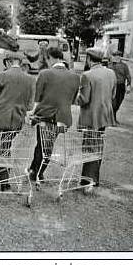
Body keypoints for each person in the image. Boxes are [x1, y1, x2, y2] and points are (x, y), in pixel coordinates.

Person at [0, 52, 35, 191]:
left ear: (8, 62)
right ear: (20, 63)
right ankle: (4, 183)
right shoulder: (30, 79)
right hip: (15, 121)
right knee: (6, 150)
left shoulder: (1, 76)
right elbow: (29, 106)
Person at [26, 47, 80, 182]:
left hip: (45, 115)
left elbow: (37, 98)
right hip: (63, 118)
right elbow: (73, 100)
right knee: (48, 144)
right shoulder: (75, 77)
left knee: (41, 144)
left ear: (50, 57)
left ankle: (35, 172)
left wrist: (32, 113)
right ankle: (38, 171)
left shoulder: (45, 74)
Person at [76, 47, 116, 191]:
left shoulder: (87, 75)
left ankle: (89, 180)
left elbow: (84, 99)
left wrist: (76, 98)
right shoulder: (111, 73)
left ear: (88, 59)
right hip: (104, 115)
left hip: (91, 116)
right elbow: (113, 94)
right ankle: (92, 178)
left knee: (89, 146)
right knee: (98, 145)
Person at [109, 50, 132, 124]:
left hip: (121, 86)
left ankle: (113, 116)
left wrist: (128, 85)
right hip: (111, 86)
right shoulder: (109, 65)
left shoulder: (124, 66)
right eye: (115, 56)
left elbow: (128, 75)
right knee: (113, 102)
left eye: (118, 56)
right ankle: (112, 118)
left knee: (119, 101)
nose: (116, 57)